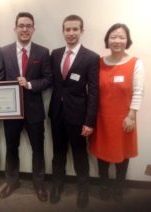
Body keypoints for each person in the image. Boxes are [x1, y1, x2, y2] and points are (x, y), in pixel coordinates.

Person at [0, 12, 52, 202]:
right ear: (15, 29)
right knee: (12, 148)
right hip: (10, 111)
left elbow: (48, 79)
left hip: (34, 110)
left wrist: (29, 84)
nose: (25, 29)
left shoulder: (43, 52)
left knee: (38, 149)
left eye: (29, 26)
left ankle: (39, 184)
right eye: (21, 25)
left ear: (33, 29)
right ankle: (12, 182)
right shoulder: (3, 52)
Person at [48, 15, 99, 208]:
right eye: (67, 29)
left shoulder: (92, 57)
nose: (71, 33)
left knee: (79, 154)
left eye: (75, 29)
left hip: (78, 116)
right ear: (63, 31)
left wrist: (89, 121)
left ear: (82, 31)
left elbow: (94, 92)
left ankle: (83, 190)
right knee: (58, 153)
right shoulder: (56, 53)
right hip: (57, 113)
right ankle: (57, 186)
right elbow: (52, 81)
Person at [90, 23, 144, 202]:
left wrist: (132, 115)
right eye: (113, 37)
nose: (117, 41)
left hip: (124, 119)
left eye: (121, 37)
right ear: (107, 40)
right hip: (101, 119)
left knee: (123, 156)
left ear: (127, 40)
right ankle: (104, 186)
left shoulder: (135, 63)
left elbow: (138, 91)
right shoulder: (98, 62)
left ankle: (119, 186)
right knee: (102, 156)